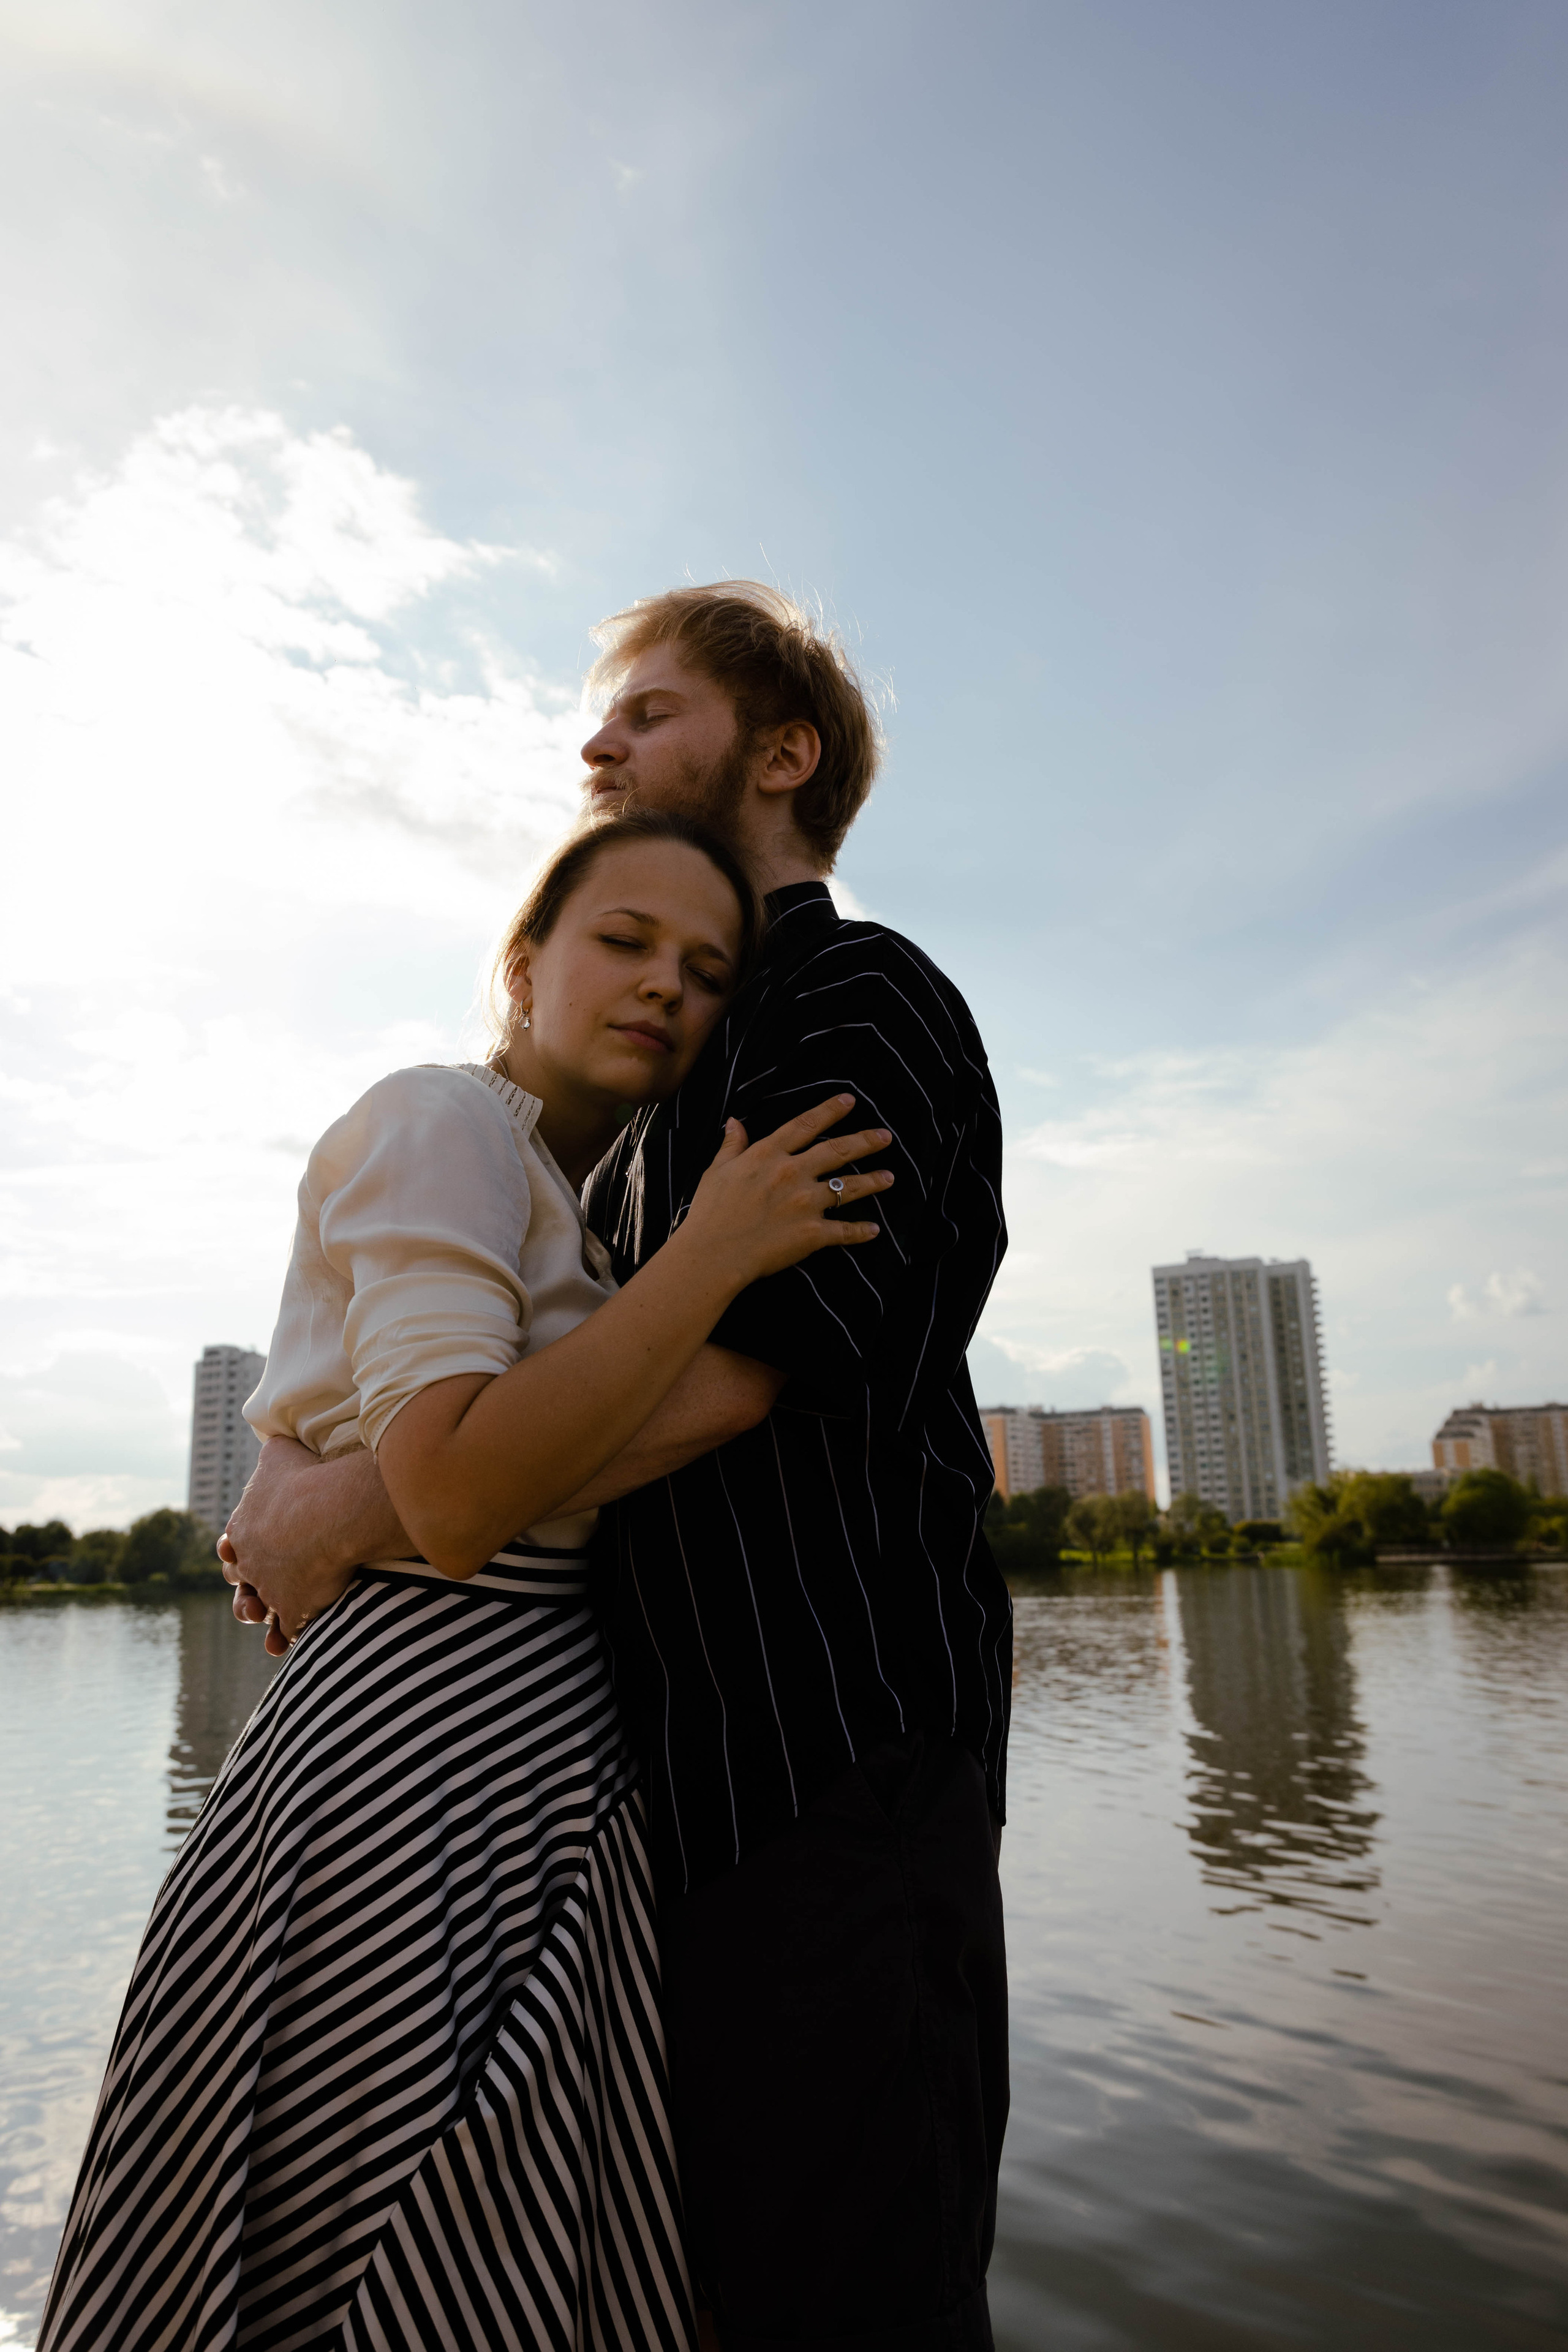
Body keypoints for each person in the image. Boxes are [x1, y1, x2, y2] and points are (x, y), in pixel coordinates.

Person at [226, 583, 1013, 2351]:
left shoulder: (854, 995)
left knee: (848, 2293)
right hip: (660, 1800)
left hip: (833, 1768)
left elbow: (745, 1376)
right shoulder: (654, 1092)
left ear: (781, 750)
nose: (598, 743)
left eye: (649, 711)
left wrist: (357, 1509)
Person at [40, 809, 893, 2352]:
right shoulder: (442, 1117)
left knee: (490, 2234)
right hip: (413, 1744)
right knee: (372, 2221)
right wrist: (712, 1260)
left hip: (535, 1753)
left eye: (705, 970)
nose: (663, 990)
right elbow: (446, 1493)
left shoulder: (581, 1191)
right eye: (620, 943)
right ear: (521, 962)